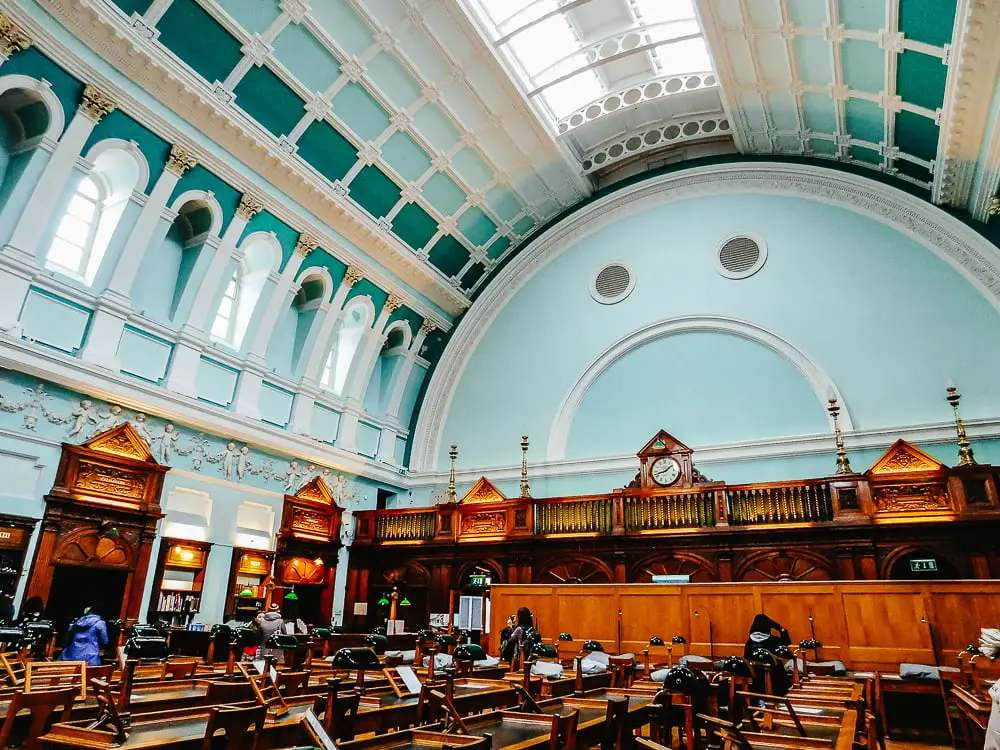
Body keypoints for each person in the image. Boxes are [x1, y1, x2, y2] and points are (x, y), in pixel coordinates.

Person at [744, 614, 791, 695]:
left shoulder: (749, 642)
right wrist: (780, 628)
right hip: (775, 679)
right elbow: (787, 643)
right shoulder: (773, 640)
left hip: (757, 679)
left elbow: (746, 658)